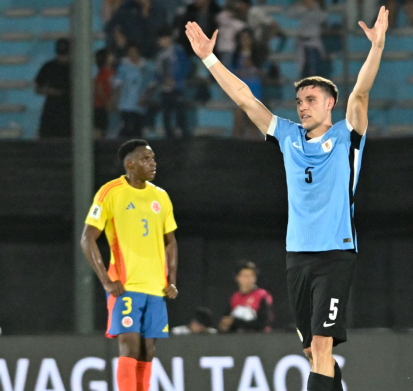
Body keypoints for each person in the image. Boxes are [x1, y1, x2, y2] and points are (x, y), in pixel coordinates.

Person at [184, 7, 388, 390]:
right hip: (297, 255)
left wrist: (376, 47)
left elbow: (360, 91)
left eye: (311, 99)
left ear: (330, 103)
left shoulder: (348, 136)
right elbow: (246, 100)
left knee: (324, 347)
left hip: (335, 254)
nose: (302, 105)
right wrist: (209, 58)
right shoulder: (288, 137)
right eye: (299, 101)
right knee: (312, 352)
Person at [80, 139, 178, 391]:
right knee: (130, 347)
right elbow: (87, 238)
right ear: (130, 164)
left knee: (147, 352)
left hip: (155, 287)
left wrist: (172, 280)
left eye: (153, 158)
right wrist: (105, 279)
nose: (153, 163)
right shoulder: (110, 192)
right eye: (146, 159)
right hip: (126, 285)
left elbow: (171, 241)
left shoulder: (161, 196)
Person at [155, 29, 192, 138]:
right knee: (166, 112)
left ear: (168, 38)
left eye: (162, 39)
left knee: (179, 111)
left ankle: (184, 132)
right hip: (165, 88)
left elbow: (186, 66)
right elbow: (157, 72)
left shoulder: (177, 51)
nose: (160, 42)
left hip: (177, 87)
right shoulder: (160, 55)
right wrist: (162, 80)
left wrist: (175, 79)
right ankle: (169, 134)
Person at [219, 261, 274, 333]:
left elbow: (263, 322)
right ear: (237, 277)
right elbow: (227, 320)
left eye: (252, 276)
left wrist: (236, 322)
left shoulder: (262, 295)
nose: (249, 279)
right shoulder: (234, 298)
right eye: (245, 276)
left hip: (259, 339)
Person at [114, 44, 155, 138]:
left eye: (134, 51)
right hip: (125, 103)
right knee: (127, 127)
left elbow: (151, 85)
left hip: (140, 104)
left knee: (137, 129)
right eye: (130, 52)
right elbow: (118, 84)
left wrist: (146, 97)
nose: (133, 54)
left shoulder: (147, 67)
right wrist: (115, 99)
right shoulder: (123, 67)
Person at [34, 38, 71, 138]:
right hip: (52, 110)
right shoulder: (49, 66)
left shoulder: (73, 68)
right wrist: (50, 92)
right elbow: (37, 87)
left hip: (68, 109)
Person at [287, 0, 328, 78]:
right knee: (303, 71)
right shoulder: (301, 8)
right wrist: (299, 5)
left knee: (314, 72)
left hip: (312, 43)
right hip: (301, 43)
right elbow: (289, 14)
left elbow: (322, 19)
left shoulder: (319, 9)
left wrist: (312, 8)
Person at [95, 48, 116, 139]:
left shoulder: (112, 71)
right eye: (110, 56)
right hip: (101, 105)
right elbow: (99, 87)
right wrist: (106, 102)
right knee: (100, 128)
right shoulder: (103, 72)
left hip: (109, 104)